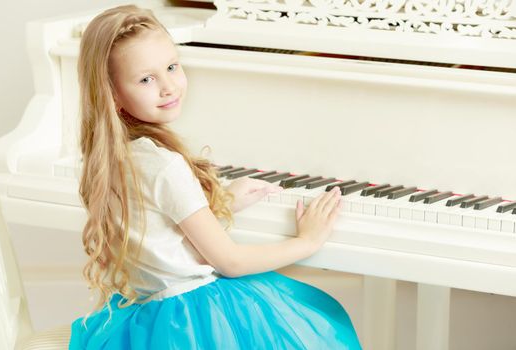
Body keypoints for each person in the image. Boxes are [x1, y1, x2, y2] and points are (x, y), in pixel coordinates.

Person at [69, 4, 361, 349]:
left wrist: (216, 204)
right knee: (323, 329)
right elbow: (231, 262)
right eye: (147, 79)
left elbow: (159, 224)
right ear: (113, 93)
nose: (169, 87)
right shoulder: (164, 164)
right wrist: (306, 242)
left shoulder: (112, 157)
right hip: (199, 321)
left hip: (149, 320)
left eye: (172, 67)